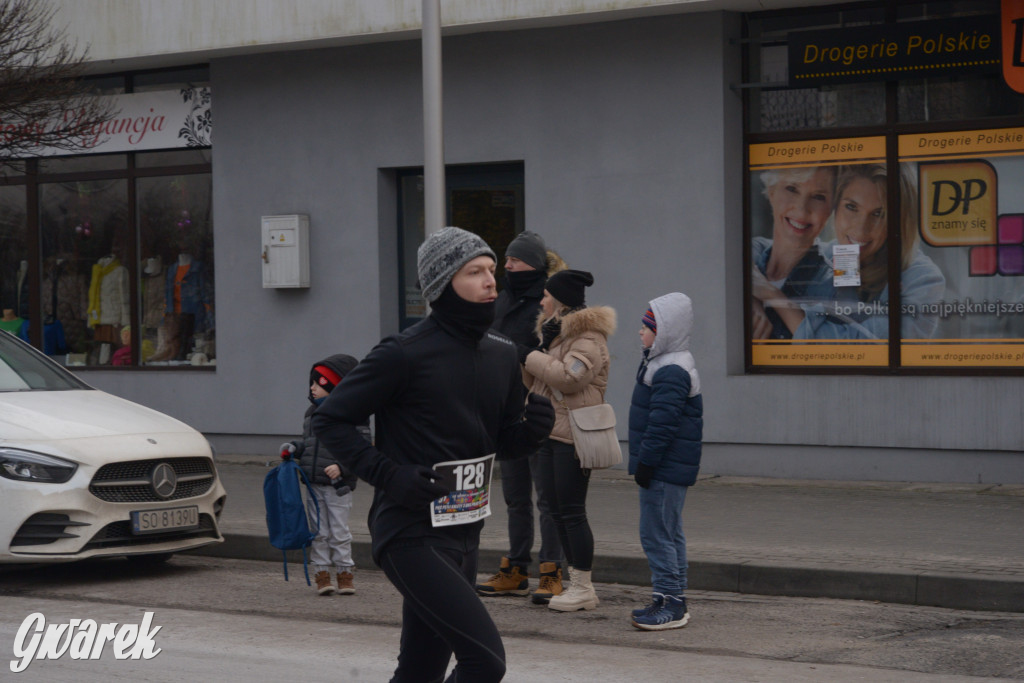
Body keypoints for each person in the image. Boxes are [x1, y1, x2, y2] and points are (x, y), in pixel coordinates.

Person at [311, 226, 555, 683]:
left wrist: (532, 434)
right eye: (474, 271)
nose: (490, 281)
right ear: (443, 283)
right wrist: (389, 474)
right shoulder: (403, 353)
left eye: (490, 270)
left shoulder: (502, 355)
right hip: (409, 532)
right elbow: (330, 419)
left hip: (465, 530)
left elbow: (502, 441)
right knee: (485, 662)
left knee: (421, 670)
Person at [477, 230, 567, 604]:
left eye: (513, 260)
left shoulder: (549, 303)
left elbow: (551, 357)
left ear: (532, 263)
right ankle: (515, 568)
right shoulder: (500, 299)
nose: (507, 266)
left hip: (538, 410)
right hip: (505, 409)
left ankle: (552, 571)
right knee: (515, 496)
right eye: (506, 260)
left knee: (548, 498)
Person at [522, 268, 616, 612]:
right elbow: (535, 381)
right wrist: (541, 348)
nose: (541, 300)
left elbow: (567, 379)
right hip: (550, 432)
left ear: (560, 301)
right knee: (558, 512)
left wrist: (530, 354)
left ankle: (583, 587)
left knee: (573, 512)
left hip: (574, 436)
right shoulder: (557, 336)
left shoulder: (588, 339)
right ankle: (574, 584)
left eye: (547, 295)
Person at [796, 163, 945, 339]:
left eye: (878, 214)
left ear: (900, 220)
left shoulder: (922, 278)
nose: (861, 230)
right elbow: (761, 248)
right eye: (851, 207)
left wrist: (774, 299)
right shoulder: (829, 255)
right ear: (835, 207)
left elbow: (855, 348)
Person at [627, 293, 703, 631]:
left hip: (663, 467)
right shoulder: (666, 362)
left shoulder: (671, 369)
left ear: (665, 331)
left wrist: (646, 463)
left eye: (647, 327)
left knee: (656, 533)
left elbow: (662, 423)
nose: (640, 332)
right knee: (668, 531)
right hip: (668, 466)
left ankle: (672, 601)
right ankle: (667, 595)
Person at [283, 354, 365, 595]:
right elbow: (309, 444)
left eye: (318, 383)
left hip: (337, 485)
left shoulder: (353, 414)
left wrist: (342, 467)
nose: (312, 387)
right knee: (318, 532)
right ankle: (321, 574)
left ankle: (345, 573)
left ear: (334, 386)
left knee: (339, 532)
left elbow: (361, 448)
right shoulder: (311, 414)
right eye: (313, 382)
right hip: (313, 483)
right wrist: (294, 449)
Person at [750, 165, 836, 339]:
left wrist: (769, 293)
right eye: (792, 189)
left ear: (831, 211)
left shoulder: (832, 282)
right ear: (771, 192)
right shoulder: (752, 252)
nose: (802, 209)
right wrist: (750, 298)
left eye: (818, 197)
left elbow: (828, 352)